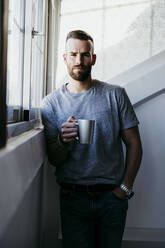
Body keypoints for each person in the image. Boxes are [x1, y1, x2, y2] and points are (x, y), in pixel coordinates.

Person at [41, 30, 143, 248]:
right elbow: (54, 159)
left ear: (93, 58)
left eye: (85, 54)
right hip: (73, 198)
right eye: (74, 54)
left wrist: (125, 188)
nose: (80, 60)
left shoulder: (115, 95)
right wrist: (63, 140)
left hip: (112, 198)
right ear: (65, 58)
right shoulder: (50, 104)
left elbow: (134, 143)